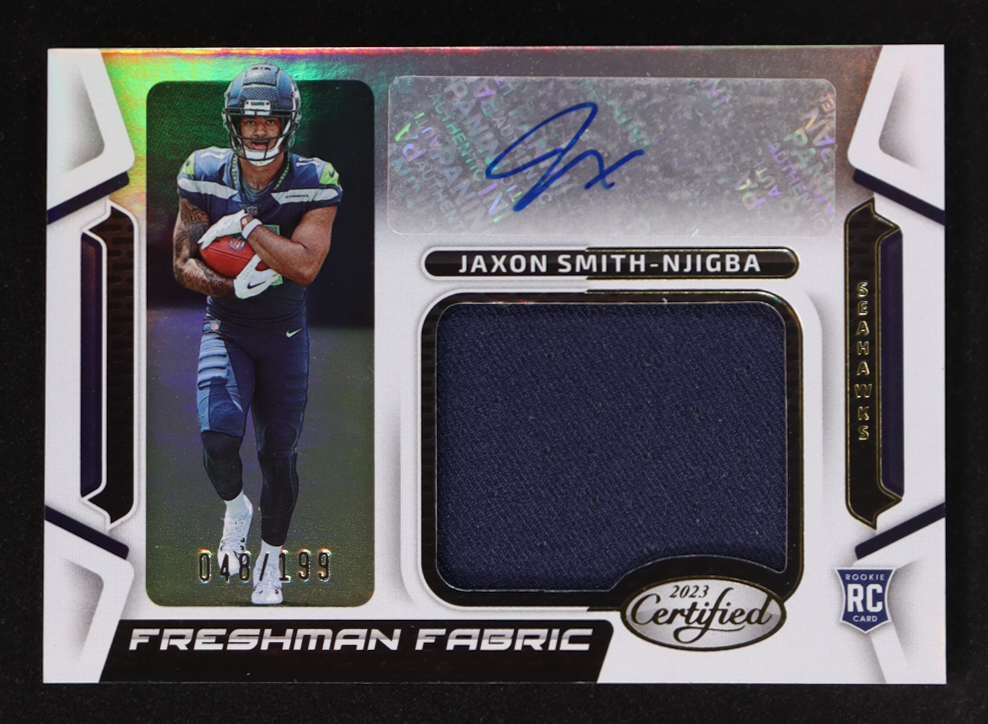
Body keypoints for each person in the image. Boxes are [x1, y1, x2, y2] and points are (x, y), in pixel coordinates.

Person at [171, 64, 341, 604]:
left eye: (270, 122)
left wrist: (247, 225)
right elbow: (182, 262)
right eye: (250, 121)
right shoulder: (203, 171)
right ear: (234, 123)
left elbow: (306, 265)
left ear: (289, 124)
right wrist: (230, 286)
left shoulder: (315, 179)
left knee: (277, 453)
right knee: (219, 440)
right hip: (227, 325)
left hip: (284, 333)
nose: (260, 132)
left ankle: (270, 559)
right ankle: (235, 509)